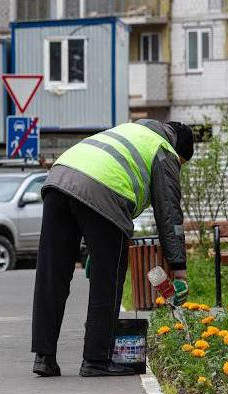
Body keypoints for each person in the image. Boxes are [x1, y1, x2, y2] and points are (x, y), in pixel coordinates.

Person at [32, 120, 194, 377]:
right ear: (180, 153)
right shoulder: (164, 150)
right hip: (104, 191)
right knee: (108, 278)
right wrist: (179, 268)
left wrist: (94, 247)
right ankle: (96, 360)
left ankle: (44, 357)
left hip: (59, 178)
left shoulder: (130, 130)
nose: (178, 169)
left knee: (52, 273)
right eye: (181, 165)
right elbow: (169, 214)